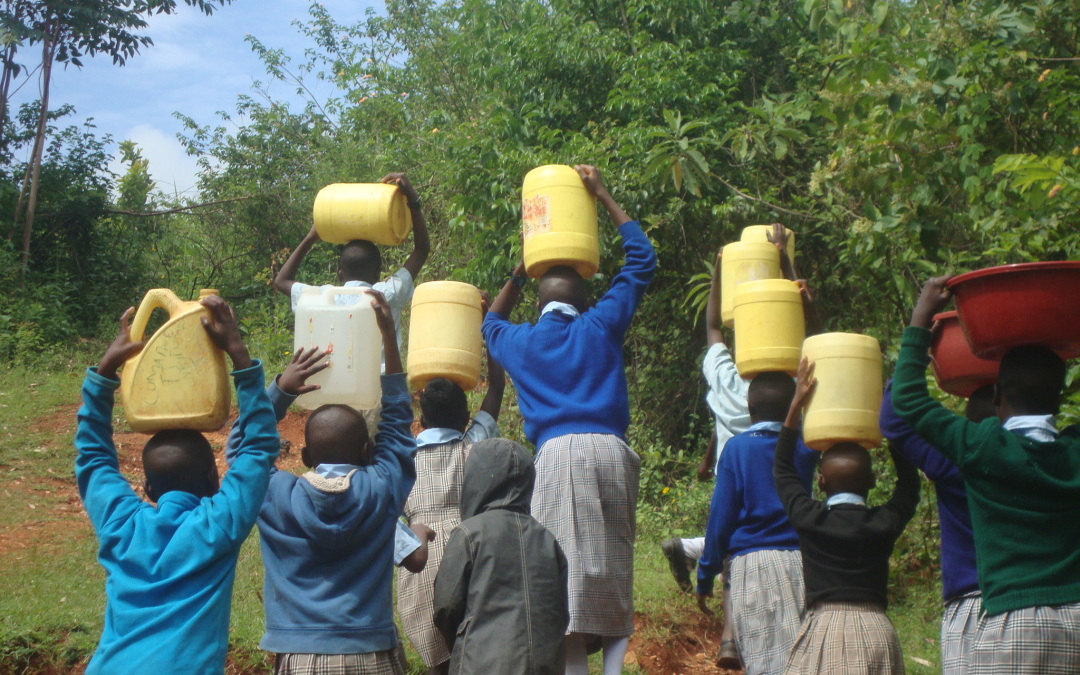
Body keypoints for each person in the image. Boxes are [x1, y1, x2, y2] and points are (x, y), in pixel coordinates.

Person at [482, 164, 656, 675]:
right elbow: (641, 260)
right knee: (614, 562)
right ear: (585, 300)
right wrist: (603, 195)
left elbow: (488, 321)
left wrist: (520, 270)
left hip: (555, 458)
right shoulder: (602, 323)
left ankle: (575, 669)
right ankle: (615, 669)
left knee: (563, 573)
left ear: (539, 302)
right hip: (611, 452)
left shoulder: (520, 341)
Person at [75, 298, 279, 674]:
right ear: (213, 478)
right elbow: (257, 449)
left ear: (147, 487)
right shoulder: (218, 525)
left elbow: (93, 458)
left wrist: (105, 372)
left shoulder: (121, 526)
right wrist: (238, 354)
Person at [891, 276, 1080, 674]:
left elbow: (907, 399)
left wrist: (921, 318)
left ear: (997, 397)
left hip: (1013, 620)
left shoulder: (979, 447)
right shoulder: (1073, 452)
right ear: (1060, 397)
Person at [233, 290, 418, 675]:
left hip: (299, 656)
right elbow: (398, 426)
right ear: (368, 453)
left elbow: (240, 451)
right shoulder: (381, 488)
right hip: (372, 653)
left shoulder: (275, 496)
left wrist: (281, 390)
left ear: (305, 458)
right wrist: (387, 339)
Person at [776, 357, 919, 675]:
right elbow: (910, 487)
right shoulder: (883, 523)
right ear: (872, 481)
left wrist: (796, 405)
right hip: (876, 630)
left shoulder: (809, 518)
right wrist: (889, 427)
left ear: (820, 482)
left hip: (824, 630)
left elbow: (783, 472)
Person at [696, 372, 818, 675]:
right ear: (797, 407)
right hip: (804, 563)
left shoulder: (737, 449)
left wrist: (705, 573)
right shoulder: (806, 448)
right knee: (803, 659)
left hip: (752, 566)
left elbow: (720, 518)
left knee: (763, 661)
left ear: (749, 411)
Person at [398, 333, 506, 675]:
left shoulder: (402, 456)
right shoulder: (474, 442)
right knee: (475, 648)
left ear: (422, 421)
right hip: (470, 550)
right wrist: (489, 336)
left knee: (439, 655)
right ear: (465, 418)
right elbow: (496, 390)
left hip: (420, 553)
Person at [879, 380, 994, 674]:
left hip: (969, 602)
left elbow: (893, 421)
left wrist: (905, 372)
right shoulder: (1045, 455)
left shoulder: (955, 458)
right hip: (1034, 597)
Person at [432, 438, 569, 675]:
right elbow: (559, 613)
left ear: (476, 478)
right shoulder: (547, 539)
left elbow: (446, 605)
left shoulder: (469, 533)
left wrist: (464, 639)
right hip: (545, 664)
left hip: (481, 663)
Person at [273, 172, 431, 362]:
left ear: (339, 272)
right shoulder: (386, 295)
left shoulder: (323, 296)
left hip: (339, 385)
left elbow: (281, 281)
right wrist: (413, 200)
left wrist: (312, 236)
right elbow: (421, 250)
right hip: (382, 385)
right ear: (377, 272)